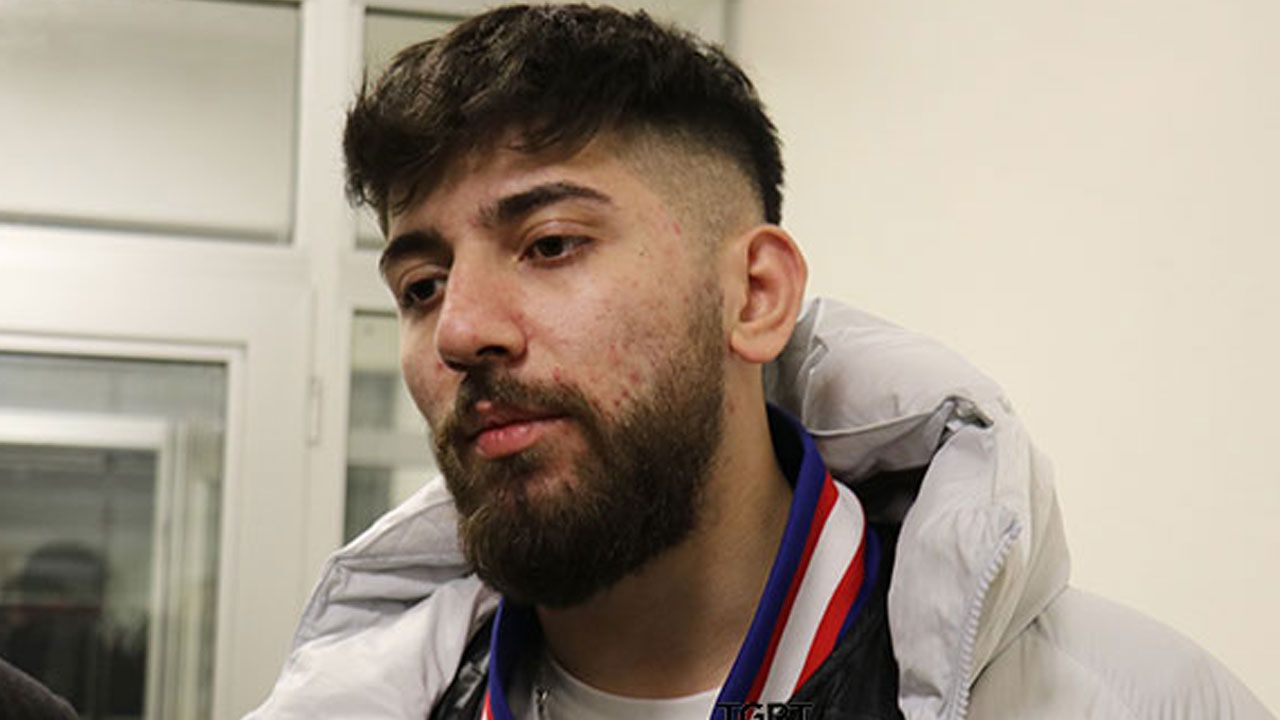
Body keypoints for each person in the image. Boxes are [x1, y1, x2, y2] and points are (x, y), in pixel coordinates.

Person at [250, 5, 1272, 719]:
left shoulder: (1133, 702)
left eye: (550, 244)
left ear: (753, 296)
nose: (459, 331)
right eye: (421, 284)